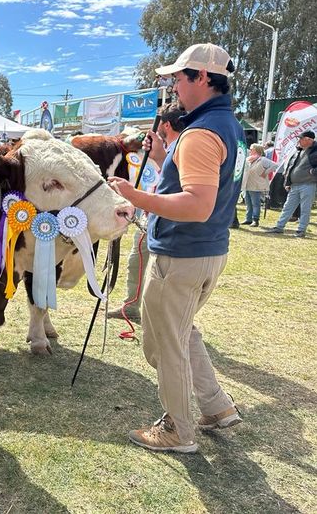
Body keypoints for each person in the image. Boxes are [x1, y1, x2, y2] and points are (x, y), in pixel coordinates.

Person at [108, 43, 245, 453]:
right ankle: (216, 406)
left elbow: (197, 205)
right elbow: (203, 189)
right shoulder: (227, 125)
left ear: (201, 77)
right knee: (180, 332)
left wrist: (135, 196)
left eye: (178, 78)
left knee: (164, 344)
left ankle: (178, 430)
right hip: (206, 251)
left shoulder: (201, 133)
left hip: (182, 254)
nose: (173, 87)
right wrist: (164, 158)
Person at [108, 102, 185, 322]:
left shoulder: (181, 147)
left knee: (153, 266)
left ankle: (162, 316)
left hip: (164, 218)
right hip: (155, 215)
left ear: (166, 125)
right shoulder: (174, 147)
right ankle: (133, 306)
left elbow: (176, 183)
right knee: (139, 261)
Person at [265, 130, 317, 237]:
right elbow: (291, 167)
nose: (299, 140)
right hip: (295, 185)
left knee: (305, 209)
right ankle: (279, 227)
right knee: (287, 207)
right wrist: (288, 182)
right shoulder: (299, 151)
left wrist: (314, 172)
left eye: (301, 138)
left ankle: (301, 230)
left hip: (309, 184)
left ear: (308, 140)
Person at [240, 143, 278, 227]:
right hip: (247, 184)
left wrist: (266, 172)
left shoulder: (262, 160)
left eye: (252, 149)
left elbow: (275, 165)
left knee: (255, 204)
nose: (250, 151)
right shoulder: (249, 159)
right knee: (248, 203)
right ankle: (248, 219)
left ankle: (255, 220)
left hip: (256, 185)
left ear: (257, 150)